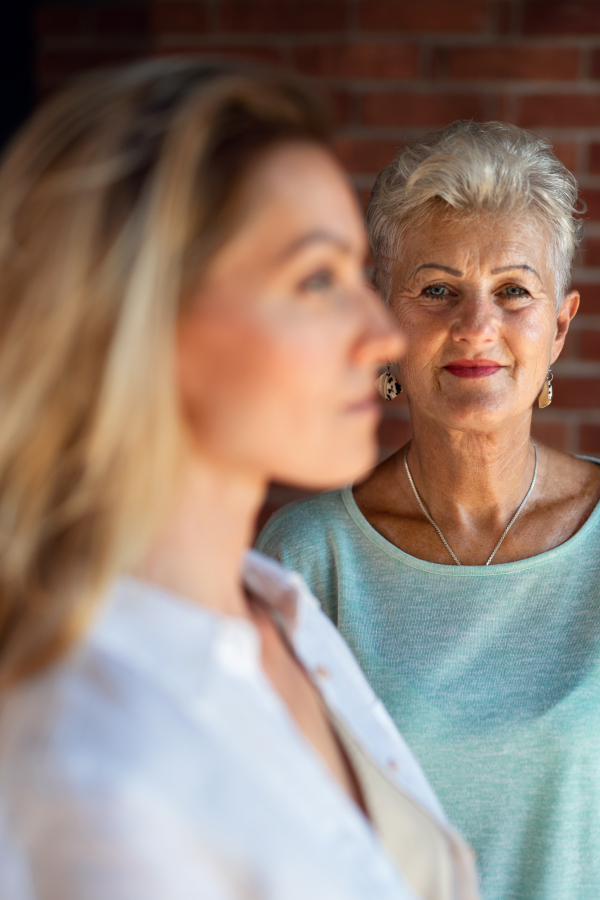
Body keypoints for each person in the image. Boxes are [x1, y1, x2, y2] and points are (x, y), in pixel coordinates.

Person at [0, 61, 480, 900]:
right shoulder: (82, 756)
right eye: (317, 279)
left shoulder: (280, 611)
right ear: (139, 318)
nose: (382, 335)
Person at [257, 120, 600, 900]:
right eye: (437, 289)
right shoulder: (307, 560)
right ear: (386, 321)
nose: (477, 326)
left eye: (514, 291)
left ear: (560, 326)